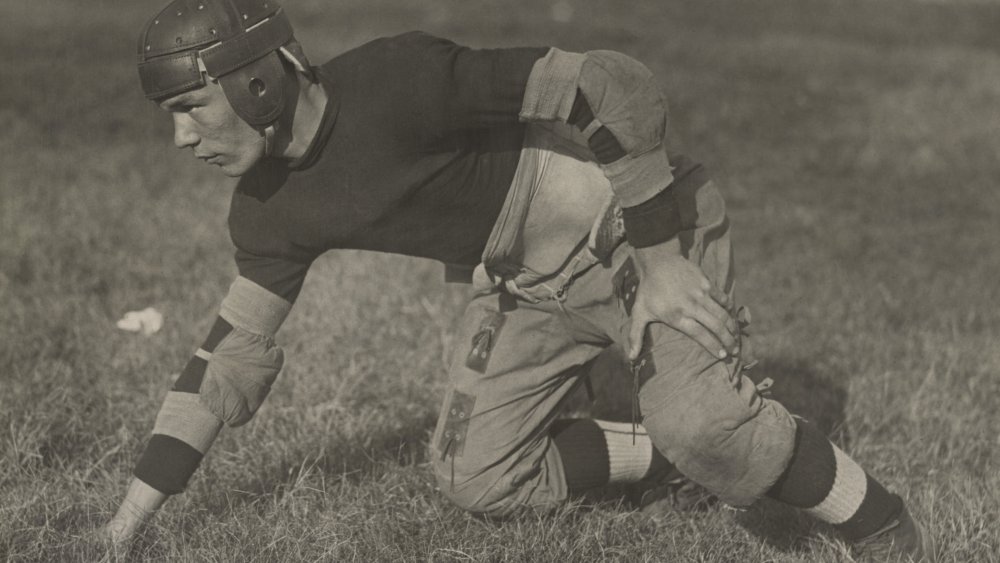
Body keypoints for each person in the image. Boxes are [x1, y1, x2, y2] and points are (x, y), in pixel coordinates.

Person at [104, 0, 933, 560]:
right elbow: (228, 356)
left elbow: (610, 84)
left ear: (256, 82)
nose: (180, 138)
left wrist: (660, 259)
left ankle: (880, 519)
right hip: (527, 283)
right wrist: (123, 529)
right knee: (478, 477)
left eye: (189, 108)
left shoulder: (400, 80)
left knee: (705, 420)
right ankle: (668, 457)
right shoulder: (266, 210)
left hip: (632, 233)